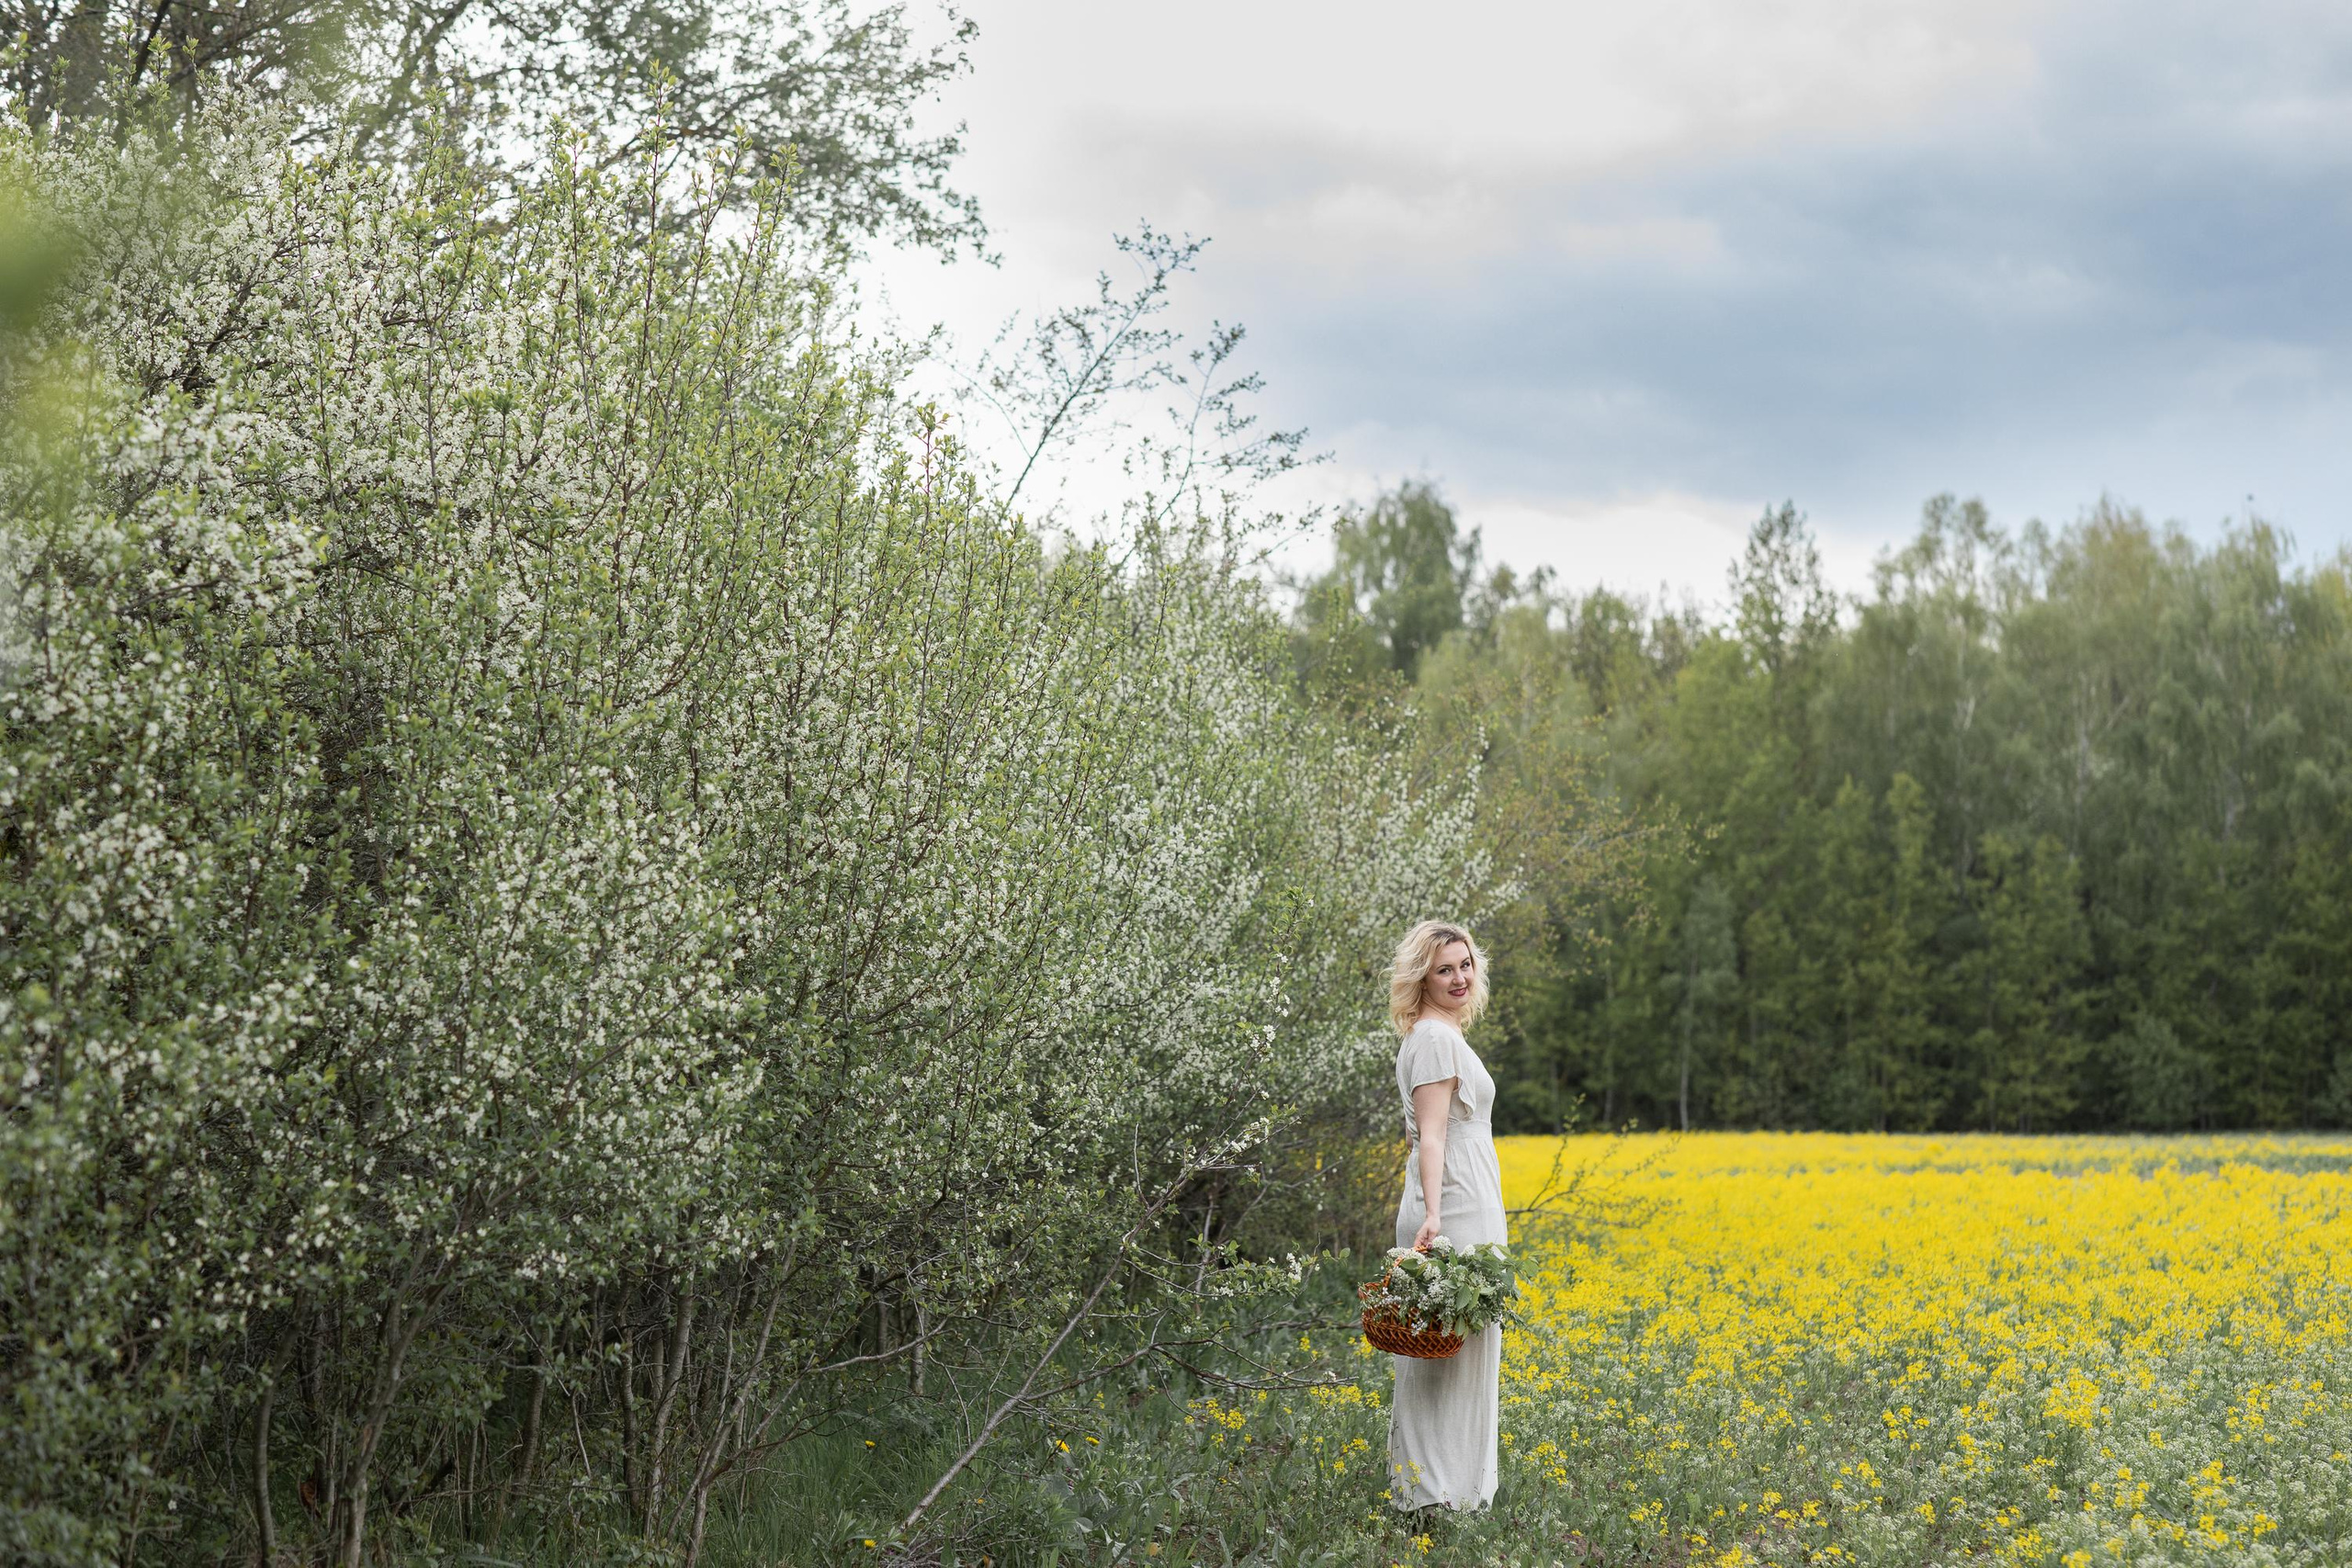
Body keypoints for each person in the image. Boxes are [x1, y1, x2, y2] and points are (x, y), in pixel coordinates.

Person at [1385, 918, 1507, 1513]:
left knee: (1455, 1344)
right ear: (1422, 979)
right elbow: (1430, 1136)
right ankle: (1436, 1497)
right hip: (1454, 1202)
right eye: (1444, 969)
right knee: (1450, 1347)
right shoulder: (1434, 1038)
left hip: (1462, 1195)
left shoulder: (1439, 1034)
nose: (1460, 977)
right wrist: (1433, 1214)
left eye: (1465, 964)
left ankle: (1445, 1491)